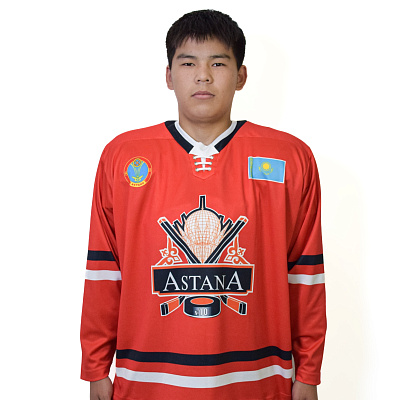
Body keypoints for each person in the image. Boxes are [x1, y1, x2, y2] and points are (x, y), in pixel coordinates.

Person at [80, 9, 326, 400]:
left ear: (241, 76)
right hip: (148, 383)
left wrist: (308, 373)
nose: (203, 76)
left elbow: (305, 274)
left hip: (258, 384)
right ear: (168, 75)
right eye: (188, 63)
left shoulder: (289, 157)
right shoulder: (122, 156)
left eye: (218, 63)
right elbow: (104, 270)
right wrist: (95, 368)